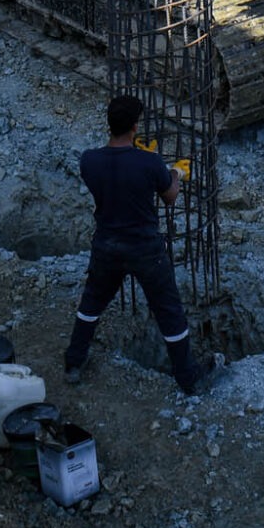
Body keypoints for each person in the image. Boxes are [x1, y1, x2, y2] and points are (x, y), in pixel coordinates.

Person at [63, 95, 215, 395]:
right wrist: (176, 173)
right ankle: (188, 377)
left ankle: (73, 362)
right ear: (135, 127)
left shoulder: (89, 160)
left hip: (107, 245)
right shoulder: (149, 162)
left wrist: (139, 161)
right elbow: (169, 197)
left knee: (91, 303)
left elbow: (115, 178)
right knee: (169, 312)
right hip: (146, 249)